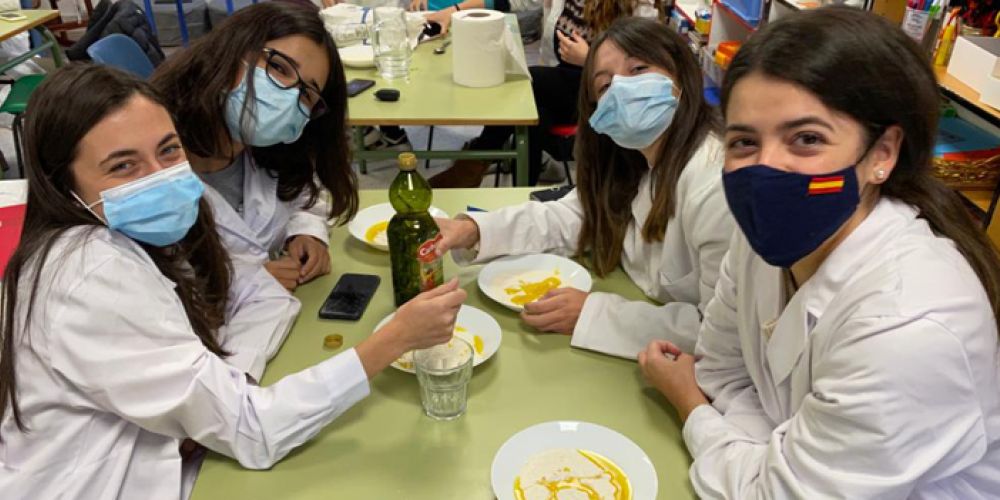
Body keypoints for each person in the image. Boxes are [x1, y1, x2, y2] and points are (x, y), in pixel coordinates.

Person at [0, 63, 467, 499]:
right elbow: (254, 431)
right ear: (62, 183)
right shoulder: (90, 275)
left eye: (168, 150)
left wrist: (222, 388)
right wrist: (394, 339)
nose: (160, 178)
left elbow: (254, 286)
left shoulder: (137, 231)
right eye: (124, 165)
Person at [638, 7, 1000, 498]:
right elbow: (720, 371)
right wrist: (772, 453)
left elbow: (775, 493)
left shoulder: (911, 323)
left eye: (806, 139)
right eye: (744, 141)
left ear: (882, 153)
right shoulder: (761, 240)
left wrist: (692, 409)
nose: (766, 168)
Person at [436, 17, 732, 358]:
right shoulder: (634, 160)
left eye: (638, 69)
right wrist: (473, 230)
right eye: (605, 86)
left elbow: (723, 336)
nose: (621, 90)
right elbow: (575, 216)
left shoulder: (715, 184)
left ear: (681, 74)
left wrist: (595, 314)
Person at [151, 2, 353, 292]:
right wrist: (239, 285)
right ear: (232, 49)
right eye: (279, 68)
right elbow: (137, 285)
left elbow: (304, 193)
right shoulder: (150, 160)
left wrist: (305, 231)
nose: (288, 96)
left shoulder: (270, 151)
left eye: (306, 94)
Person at [428, 0, 659, 187]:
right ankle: (521, 193)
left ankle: (473, 165)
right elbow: (515, 2)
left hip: (603, 94)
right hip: (560, 84)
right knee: (534, 113)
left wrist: (589, 59)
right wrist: (454, 10)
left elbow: (644, 75)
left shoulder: (639, 7)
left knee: (530, 83)